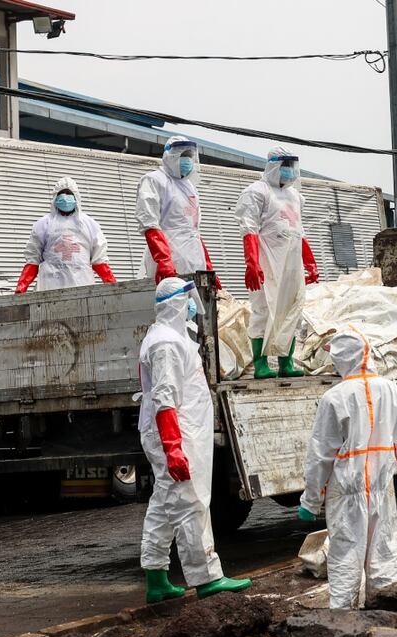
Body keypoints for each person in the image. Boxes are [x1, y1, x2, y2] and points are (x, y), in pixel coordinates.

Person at [138, 278, 250, 603]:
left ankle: (156, 577)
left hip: (180, 432)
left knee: (164, 504)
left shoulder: (171, 337)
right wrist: (173, 447)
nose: (192, 305)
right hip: (176, 434)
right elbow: (165, 398)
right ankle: (207, 577)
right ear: (176, 304)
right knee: (191, 503)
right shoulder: (166, 344)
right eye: (187, 299)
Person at [298, 330, 397, 609]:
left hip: (345, 494)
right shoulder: (393, 392)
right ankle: (386, 618)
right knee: (384, 558)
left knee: (345, 559)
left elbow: (320, 455)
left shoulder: (334, 398)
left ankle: (342, 623)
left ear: (344, 357)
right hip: (382, 491)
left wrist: (311, 500)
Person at [235, 148, 319, 379]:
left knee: (292, 309)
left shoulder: (295, 196)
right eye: (285, 165)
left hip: (292, 263)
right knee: (263, 310)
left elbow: (298, 231)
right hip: (268, 261)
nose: (289, 171)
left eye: (292, 166)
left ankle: (286, 363)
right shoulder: (256, 192)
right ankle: (261, 364)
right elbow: (249, 229)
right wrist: (252, 263)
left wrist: (309, 263)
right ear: (273, 165)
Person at [136, 136, 222, 288]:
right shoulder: (154, 180)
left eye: (189, 156)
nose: (187, 160)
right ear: (170, 155)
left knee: (199, 301)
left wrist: (208, 267)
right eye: (183, 155)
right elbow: (149, 223)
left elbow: (194, 230)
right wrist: (164, 259)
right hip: (169, 258)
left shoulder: (190, 187)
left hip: (195, 259)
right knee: (172, 300)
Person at [15, 177, 116, 293]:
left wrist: (115, 289)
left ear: (76, 197)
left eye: (69, 194)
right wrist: (21, 289)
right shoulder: (43, 224)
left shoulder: (90, 225)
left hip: (82, 286)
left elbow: (100, 260)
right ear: (55, 198)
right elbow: (33, 260)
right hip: (50, 286)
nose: (65, 198)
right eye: (62, 194)